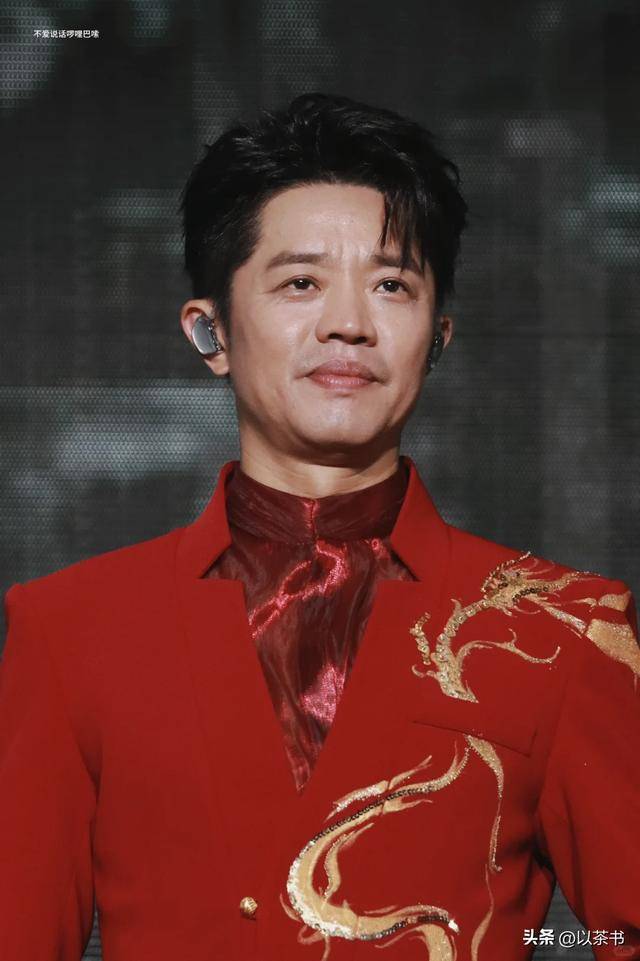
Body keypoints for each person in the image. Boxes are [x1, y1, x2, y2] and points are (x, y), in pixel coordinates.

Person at [1, 92, 638, 961]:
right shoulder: (71, 630)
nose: (349, 324)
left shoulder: (561, 626)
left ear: (438, 337)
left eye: (392, 285)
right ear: (210, 331)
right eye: (301, 282)